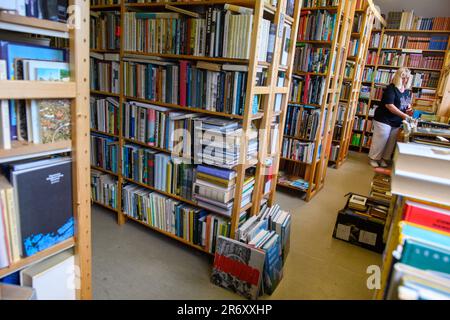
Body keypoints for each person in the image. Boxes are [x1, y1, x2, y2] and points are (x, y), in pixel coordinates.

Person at [368, 67, 414, 168]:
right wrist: (404, 115)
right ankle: (374, 158)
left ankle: (385, 159)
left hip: (396, 121)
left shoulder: (406, 91)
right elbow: (389, 105)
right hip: (383, 119)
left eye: (407, 78)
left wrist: (408, 107)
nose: (405, 80)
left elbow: (406, 103)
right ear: (398, 77)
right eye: (403, 78)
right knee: (381, 139)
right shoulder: (391, 88)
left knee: (391, 142)